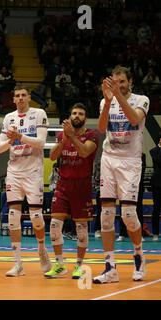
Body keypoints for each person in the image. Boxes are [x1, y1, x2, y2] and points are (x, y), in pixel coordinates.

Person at [93, 66, 149, 284]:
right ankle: (110, 268)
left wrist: (116, 95)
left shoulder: (141, 100)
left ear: (130, 82)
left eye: (122, 82)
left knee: (127, 214)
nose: (118, 85)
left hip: (131, 161)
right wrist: (107, 102)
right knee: (105, 216)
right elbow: (100, 127)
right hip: (109, 158)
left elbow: (134, 120)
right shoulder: (105, 100)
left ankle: (139, 255)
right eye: (114, 82)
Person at [0, 85, 51, 277]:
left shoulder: (39, 114)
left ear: (28, 98)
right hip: (14, 171)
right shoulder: (9, 118)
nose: (20, 98)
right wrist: (11, 140)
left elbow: (42, 143)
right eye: (16, 95)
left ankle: (42, 249)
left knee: (36, 217)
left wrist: (20, 136)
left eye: (23, 95)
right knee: (12, 216)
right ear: (13, 99)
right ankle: (17, 263)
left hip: (33, 171)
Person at [44, 103, 98, 279]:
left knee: (81, 228)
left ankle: (79, 265)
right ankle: (60, 264)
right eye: (74, 113)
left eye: (80, 114)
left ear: (85, 118)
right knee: (54, 226)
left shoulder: (92, 135)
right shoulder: (62, 135)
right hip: (63, 185)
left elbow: (83, 152)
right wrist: (65, 139)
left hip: (82, 187)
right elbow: (52, 156)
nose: (76, 116)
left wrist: (72, 136)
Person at [149, 133, 161, 241]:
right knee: (156, 209)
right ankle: (155, 233)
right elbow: (158, 160)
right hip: (157, 184)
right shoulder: (153, 151)